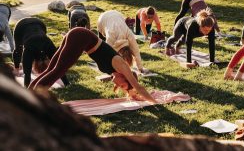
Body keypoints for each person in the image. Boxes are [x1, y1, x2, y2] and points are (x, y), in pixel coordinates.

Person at [28, 27, 157, 103]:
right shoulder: (121, 65)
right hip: (81, 37)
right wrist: (154, 101)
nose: (117, 85)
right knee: (58, 71)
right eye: (122, 84)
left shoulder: (116, 72)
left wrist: (132, 94)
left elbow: (133, 90)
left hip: (79, 35)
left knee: (52, 69)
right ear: (126, 76)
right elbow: (139, 87)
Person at [13, 17, 69, 87]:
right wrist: (17, 67)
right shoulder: (35, 48)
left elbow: (17, 52)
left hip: (34, 25)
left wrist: (17, 68)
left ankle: (26, 88)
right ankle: (67, 84)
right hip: (30, 25)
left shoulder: (30, 49)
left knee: (26, 70)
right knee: (57, 63)